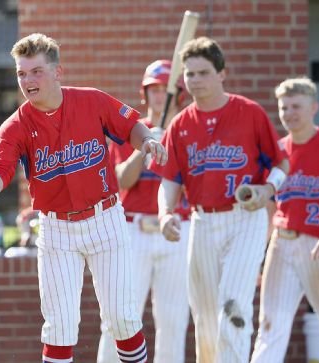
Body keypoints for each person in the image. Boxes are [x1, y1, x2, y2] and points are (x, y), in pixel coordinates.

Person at [0, 33, 167, 363]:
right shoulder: (15, 126)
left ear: (57, 72)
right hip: (56, 229)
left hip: (104, 219)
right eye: (21, 73)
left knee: (122, 319)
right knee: (59, 327)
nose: (28, 80)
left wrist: (148, 140)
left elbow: (131, 126)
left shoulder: (92, 101)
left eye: (36, 71)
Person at [151, 36, 289, 363]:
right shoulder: (181, 123)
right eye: (190, 74)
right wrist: (166, 213)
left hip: (244, 217)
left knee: (233, 303)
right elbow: (170, 179)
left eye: (203, 72)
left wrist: (268, 190)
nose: (195, 80)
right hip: (201, 221)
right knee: (204, 315)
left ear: (221, 74)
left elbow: (281, 163)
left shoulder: (249, 113)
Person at [97, 59, 191, 363]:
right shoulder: (131, 131)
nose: (160, 95)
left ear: (179, 95)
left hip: (176, 230)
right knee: (121, 316)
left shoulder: (187, 133)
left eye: (166, 89)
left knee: (173, 319)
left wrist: (169, 142)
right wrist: (147, 144)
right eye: (154, 89)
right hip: (133, 230)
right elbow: (121, 180)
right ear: (144, 93)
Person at [250, 77, 319, 363]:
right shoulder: (278, 151)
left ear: (314, 107)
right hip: (282, 243)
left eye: (296, 106)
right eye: (284, 107)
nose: (289, 113)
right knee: (269, 325)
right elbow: (269, 205)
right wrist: (258, 257)